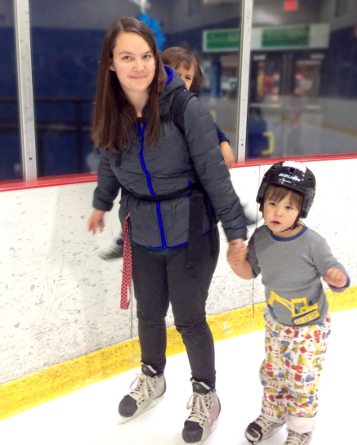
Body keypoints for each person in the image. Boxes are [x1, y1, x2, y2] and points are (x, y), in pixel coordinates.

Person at [87, 17, 246, 445]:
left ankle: (205, 395)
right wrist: (103, 202)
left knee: (190, 319)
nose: (138, 66)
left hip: (189, 227)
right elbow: (109, 157)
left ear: (155, 59)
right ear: (111, 64)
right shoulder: (112, 110)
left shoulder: (183, 108)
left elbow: (215, 175)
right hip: (141, 226)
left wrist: (235, 234)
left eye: (145, 56)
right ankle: (152, 377)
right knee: (149, 312)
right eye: (127, 57)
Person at [227, 161, 349, 445]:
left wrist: (336, 278)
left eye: (289, 207)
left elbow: (334, 270)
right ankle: (273, 415)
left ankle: (300, 429)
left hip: (310, 328)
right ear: (262, 203)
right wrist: (236, 263)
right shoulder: (259, 238)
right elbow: (250, 273)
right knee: (272, 373)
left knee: (301, 379)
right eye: (272, 203)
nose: (278, 212)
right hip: (276, 323)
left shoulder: (312, 243)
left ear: (301, 211)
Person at [99, 45, 235, 261]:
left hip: (182, 193)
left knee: (212, 183)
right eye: (174, 73)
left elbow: (205, 127)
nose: (180, 81)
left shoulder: (188, 107)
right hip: (145, 188)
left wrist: (223, 141)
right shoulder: (140, 103)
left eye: (187, 77)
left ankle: (234, 215)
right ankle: (123, 238)